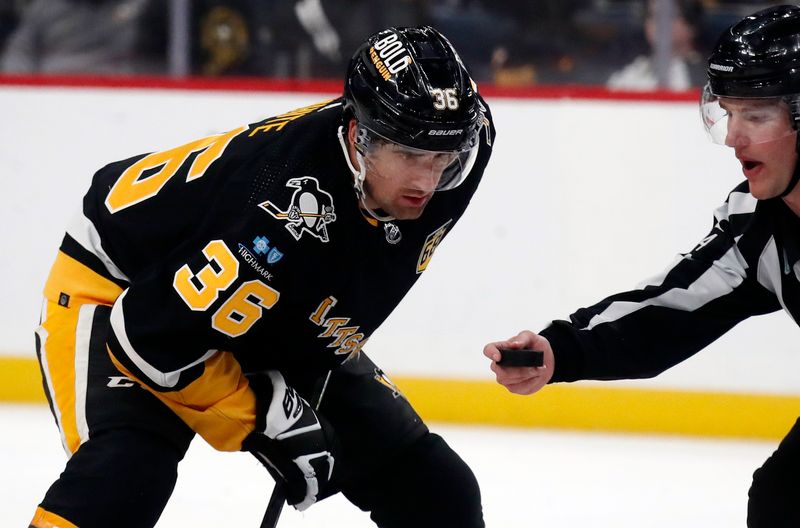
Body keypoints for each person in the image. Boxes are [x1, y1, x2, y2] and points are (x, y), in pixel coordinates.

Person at [31, 25, 494, 528]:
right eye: (409, 155)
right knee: (126, 472)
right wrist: (264, 419)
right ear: (360, 137)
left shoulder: (467, 146)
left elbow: (349, 260)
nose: (428, 181)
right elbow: (147, 337)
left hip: (268, 298)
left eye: (443, 158)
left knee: (434, 489)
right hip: (124, 289)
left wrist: (304, 374)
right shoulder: (275, 214)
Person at [485, 5, 800, 527]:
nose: (732, 137)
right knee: (784, 496)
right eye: (729, 111)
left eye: (757, 116)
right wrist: (562, 349)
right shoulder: (759, 227)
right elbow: (668, 309)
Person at [607, 0, 706, 91]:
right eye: (652, 16)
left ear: (691, 26)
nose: (659, 24)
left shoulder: (707, 74)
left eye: (669, 16)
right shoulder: (636, 69)